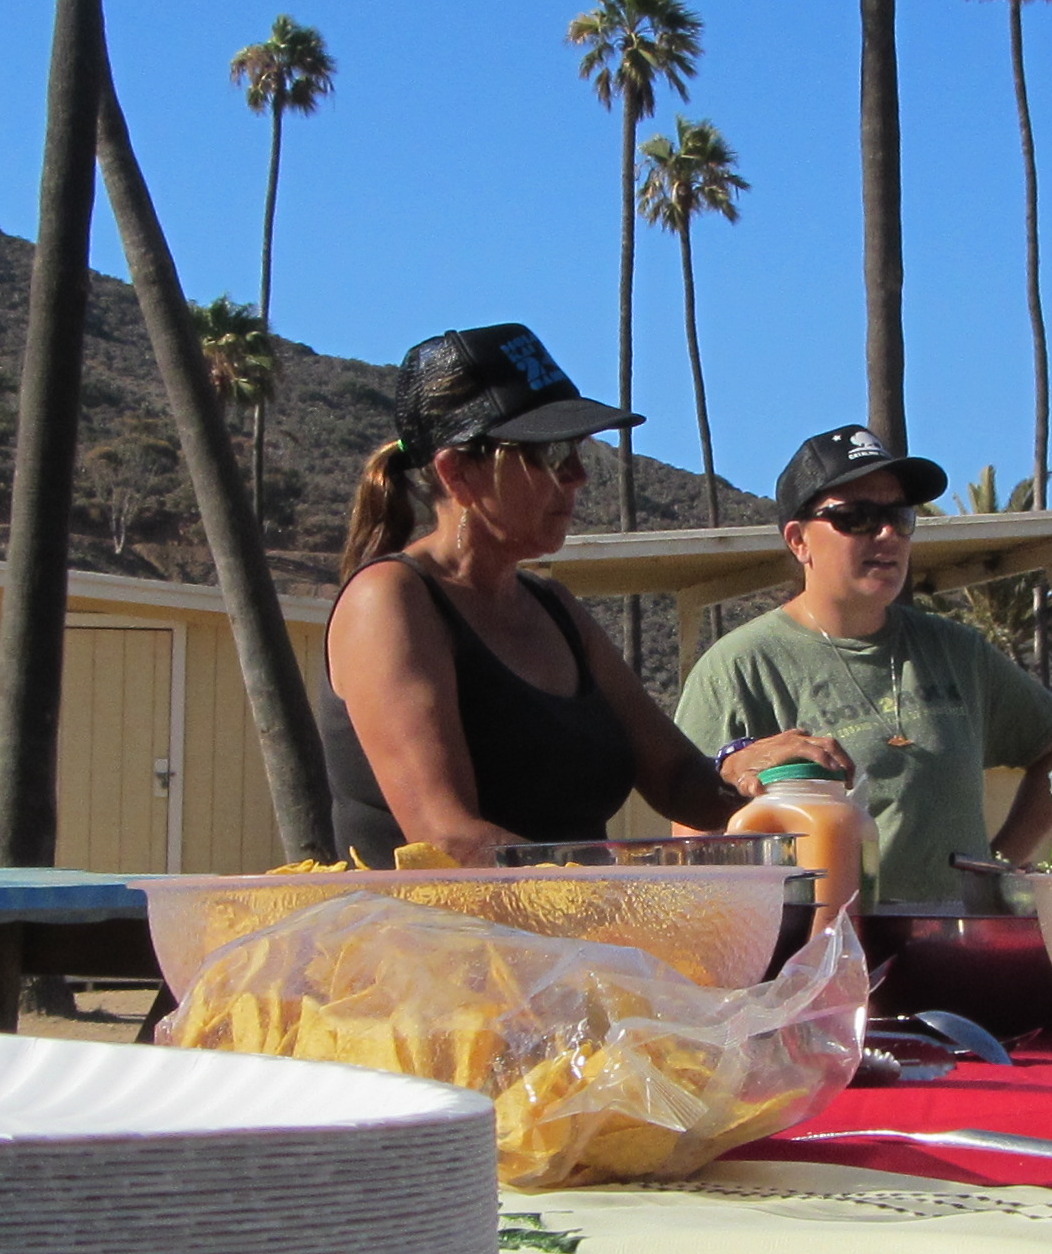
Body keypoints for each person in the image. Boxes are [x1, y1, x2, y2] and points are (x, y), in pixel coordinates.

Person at [318, 323, 843, 864]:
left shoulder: (553, 607)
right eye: (548, 453)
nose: (577, 475)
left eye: (574, 447)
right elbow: (450, 840)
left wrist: (748, 769)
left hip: (571, 919)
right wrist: (618, 899)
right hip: (428, 923)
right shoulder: (389, 600)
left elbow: (679, 780)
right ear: (457, 473)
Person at [669, 426, 1052, 909]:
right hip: (818, 945)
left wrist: (997, 868)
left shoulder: (958, 652)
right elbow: (693, 843)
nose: (886, 533)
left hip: (951, 941)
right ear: (799, 540)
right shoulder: (739, 667)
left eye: (900, 516)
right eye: (857, 517)